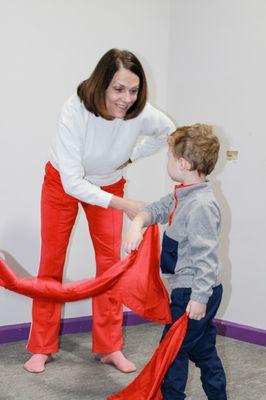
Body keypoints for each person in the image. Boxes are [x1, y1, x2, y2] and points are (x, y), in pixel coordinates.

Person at [23, 48, 175, 374]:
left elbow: (168, 131)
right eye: (118, 89)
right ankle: (41, 346)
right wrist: (124, 205)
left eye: (133, 90)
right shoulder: (74, 111)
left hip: (109, 185)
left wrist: (131, 158)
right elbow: (73, 182)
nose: (126, 99)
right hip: (62, 186)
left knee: (110, 267)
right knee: (51, 263)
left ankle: (109, 346)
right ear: (102, 84)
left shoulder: (140, 113)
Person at [124, 124, 227, 399]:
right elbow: (157, 209)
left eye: (169, 157)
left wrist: (199, 297)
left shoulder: (201, 205)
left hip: (194, 291)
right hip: (191, 289)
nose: (167, 162)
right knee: (204, 351)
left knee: (171, 353)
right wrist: (138, 222)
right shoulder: (183, 195)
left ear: (182, 163)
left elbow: (206, 258)